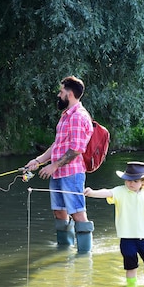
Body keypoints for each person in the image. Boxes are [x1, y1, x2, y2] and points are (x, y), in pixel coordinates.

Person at [24, 76, 95, 252]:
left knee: (77, 213)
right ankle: (64, 250)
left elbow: (77, 149)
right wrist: (38, 161)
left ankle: (85, 255)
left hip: (72, 174)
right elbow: (57, 145)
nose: (58, 94)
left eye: (61, 92)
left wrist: (53, 166)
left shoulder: (79, 116)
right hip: (58, 174)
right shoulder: (65, 116)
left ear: (69, 94)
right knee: (59, 212)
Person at [84, 161, 144, 287]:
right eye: (128, 180)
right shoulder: (120, 191)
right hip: (127, 237)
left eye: (135, 181)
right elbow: (107, 192)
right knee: (130, 265)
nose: (130, 183)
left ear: (143, 182)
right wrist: (92, 193)